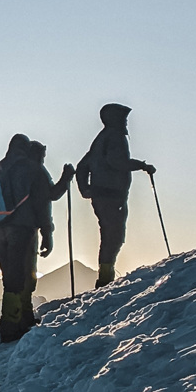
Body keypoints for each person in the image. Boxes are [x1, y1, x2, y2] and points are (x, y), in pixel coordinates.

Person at [0, 134, 61, 343]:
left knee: (10, 276)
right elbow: (43, 201)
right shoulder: (30, 168)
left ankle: (21, 318)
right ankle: (10, 325)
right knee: (20, 275)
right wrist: (47, 233)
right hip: (21, 229)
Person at [75, 103, 156, 287]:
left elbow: (82, 166)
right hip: (112, 196)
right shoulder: (115, 137)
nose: (125, 122)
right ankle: (105, 279)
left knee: (110, 235)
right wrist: (142, 166)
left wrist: (86, 189)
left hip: (102, 196)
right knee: (114, 236)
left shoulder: (100, 139)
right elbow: (116, 162)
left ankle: (105, 276)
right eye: (123, 118)